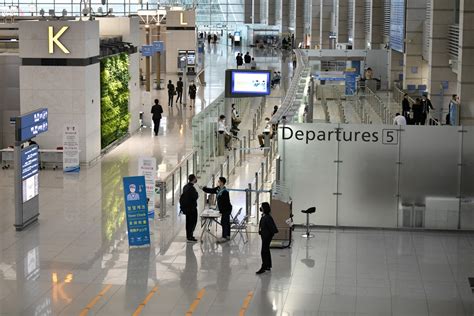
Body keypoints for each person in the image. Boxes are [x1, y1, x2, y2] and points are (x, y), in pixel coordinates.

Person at [202, 177, 232, 243]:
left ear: (222, 182)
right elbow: (211, 190)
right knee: (225, 222)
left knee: (225, 222)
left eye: (219, 181)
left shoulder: (225, 192)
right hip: (223, 209)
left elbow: (226, 202)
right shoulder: (218, 189)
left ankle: (225, 237)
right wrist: (204, 188)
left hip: (226, 209)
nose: (218, 182)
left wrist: (221, 209)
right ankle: (227, 235)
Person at [256, 202, 278, 274]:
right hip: (265, 235)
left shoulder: (267, 217)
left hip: (266, 236)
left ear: (264, 208)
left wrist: (268, 235)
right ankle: (268, 265)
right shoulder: (265, 216)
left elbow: (272, 228)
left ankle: (264, 266)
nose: (260, 208)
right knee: (266, 250)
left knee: (264, 251)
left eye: (261, 207)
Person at [180, 174, 199, 242]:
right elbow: (195, 197)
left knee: (188, 222)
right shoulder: (191, 188)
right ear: (193, 179)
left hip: (187, 208)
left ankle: (188, 235)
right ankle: (190, 236)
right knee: (192, 222)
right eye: (195, 178)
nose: (196, 179)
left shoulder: (185, 186)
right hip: (192, 208)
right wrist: (197, 194)